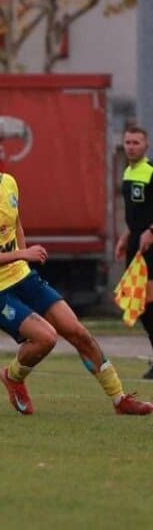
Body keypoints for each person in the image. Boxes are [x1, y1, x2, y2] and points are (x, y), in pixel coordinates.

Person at [0, 133, 153, 415]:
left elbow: (16, 224)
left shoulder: (8, 183)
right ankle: (12, 376)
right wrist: (23, 254)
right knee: (46, 338)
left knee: (78, 332)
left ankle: (120, 400)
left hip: (19, 274)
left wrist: (23, 263)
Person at [114, 124, 153, 379]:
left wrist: (150, 230)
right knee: (139, 304)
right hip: (135, 241)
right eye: (128, 142)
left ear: (145, 145)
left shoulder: (150, 172)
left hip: (150, 243)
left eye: (136, 142)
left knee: (148, 302)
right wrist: (126, 235)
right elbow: (135, 212)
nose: (131, 146)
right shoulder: (129, 172)